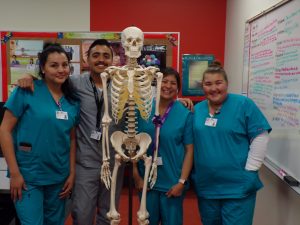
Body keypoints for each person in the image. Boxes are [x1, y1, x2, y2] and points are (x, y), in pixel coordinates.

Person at [17, 39, 125, 225]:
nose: (101, 60)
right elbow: (51, 81)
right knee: (82, 214)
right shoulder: (75, 83)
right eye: (96, 55)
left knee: (109, 215)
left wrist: (177, 101)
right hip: (85, 162)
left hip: (115, 163)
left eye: (106, 56)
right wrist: (29, 76)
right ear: (87, 59)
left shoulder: (123, 87)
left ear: (113, 59)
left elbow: (148, 103)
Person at [0, 43, 80, 225]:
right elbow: (4, 130)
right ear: (43, 68)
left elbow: (72, 138)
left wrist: (72, 173)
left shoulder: (72, 100)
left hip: (59, 177)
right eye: (54, 65)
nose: (61, 69)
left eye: (65, 65)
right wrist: (14, 173)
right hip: (28, 176)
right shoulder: (27, 90)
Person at [192, 61, 272, 225]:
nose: (214, 88)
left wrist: (251, 170)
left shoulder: (243, 104)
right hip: (207, 186)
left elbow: (260, 136)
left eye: (218, 83)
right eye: (208, 84)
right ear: (203, 87)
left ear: (227, 84)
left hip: (237, 186)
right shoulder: (198, 109)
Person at [133, 67, 194, 225]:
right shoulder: (143, 110)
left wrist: (181, 182)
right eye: (164, 81)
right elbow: (133, 144)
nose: (168, 86)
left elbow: (189, 150)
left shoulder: (184, 114)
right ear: (157, 84)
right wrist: (136, 175)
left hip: (171, 182)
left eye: (173, 83)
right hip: (146, 181)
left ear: (178, 88)